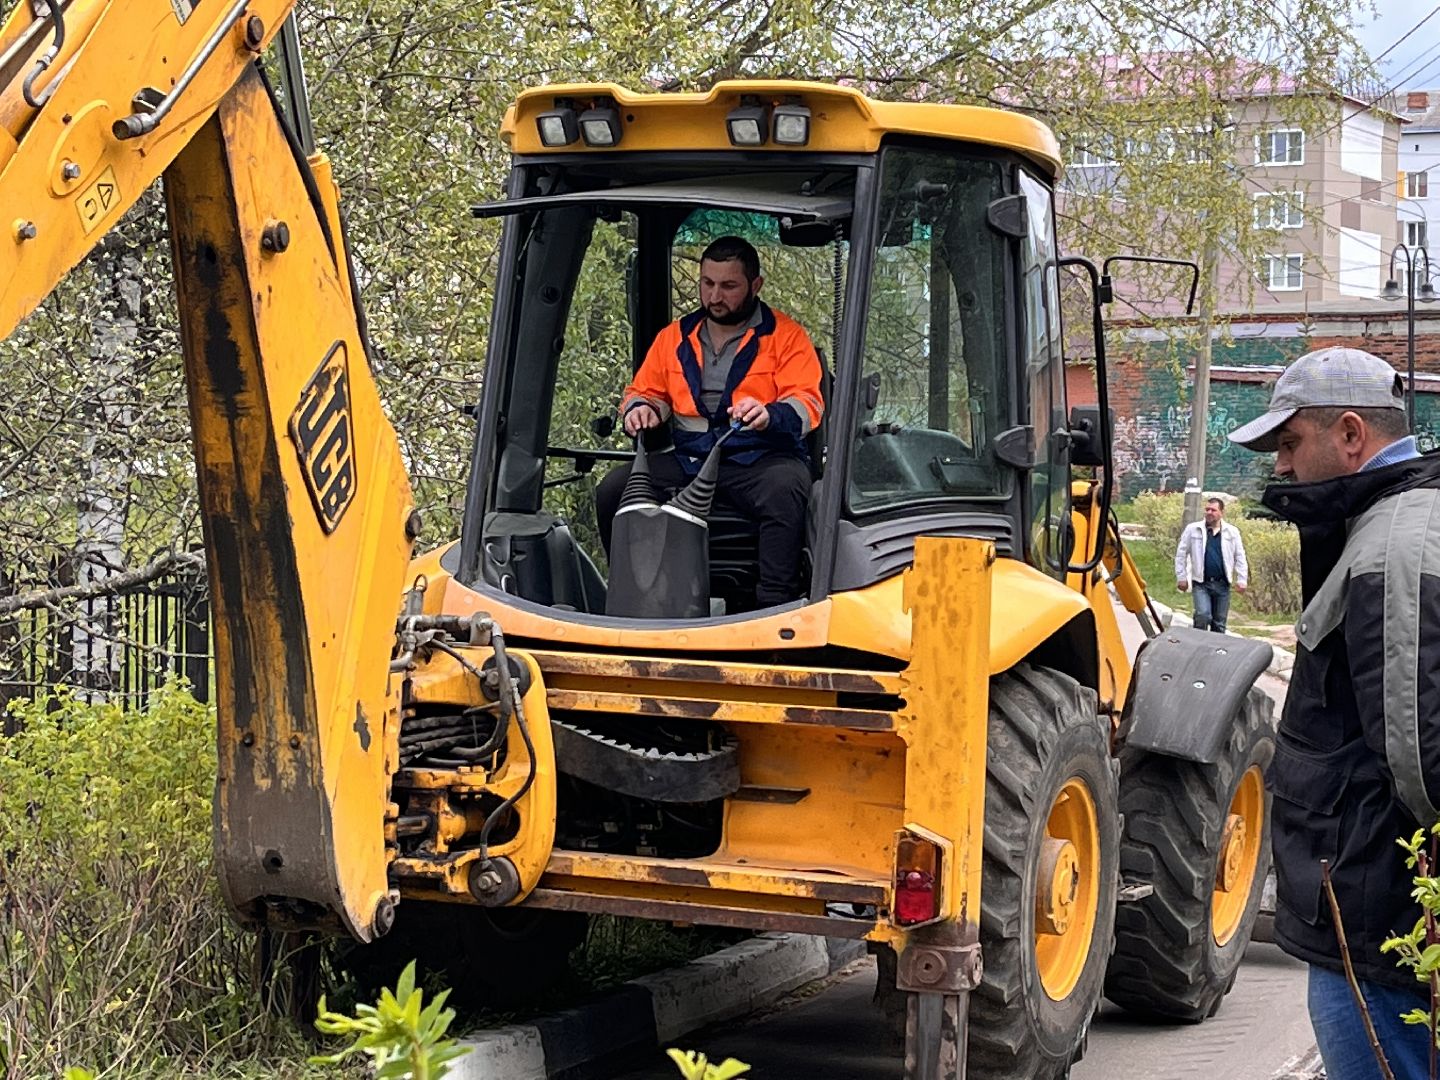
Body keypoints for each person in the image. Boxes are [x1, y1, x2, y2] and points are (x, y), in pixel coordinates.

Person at [1228, 346, 1439, 1080]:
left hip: (1376, 924)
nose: (1280, 467)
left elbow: (1419, 758)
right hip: (1382, 911)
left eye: (1290, 442)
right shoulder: (1396, 527)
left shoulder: (1393, 546)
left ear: (1352, 435)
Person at [595, 236, 824, 608]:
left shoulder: (787, 337)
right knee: (612, 491)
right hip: (690, 462)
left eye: (729, 286)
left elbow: (808, 403)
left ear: (756, 285)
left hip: (759, 460)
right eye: (708, 283)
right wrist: (642, 409)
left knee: (787, 489)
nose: (715, 296)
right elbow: (644, 390)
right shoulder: (673, 337)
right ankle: (630, 595)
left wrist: (769, 415)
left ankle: (774, 607)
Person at [1172, 496, 1249, 632]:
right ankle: (1198, 645)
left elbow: (1240, 556)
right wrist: (1181, 577)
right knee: (1202, 615)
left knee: (1219, 623)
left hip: (1222, 584)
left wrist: (1242, 579)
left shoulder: (1232, 532)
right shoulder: (1193, 529)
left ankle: (1215, 650)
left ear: (1221, 512)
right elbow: (1181, 554)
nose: (1209, 512)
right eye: (1207, 509)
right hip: (1201, 583)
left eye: (1213, 510)